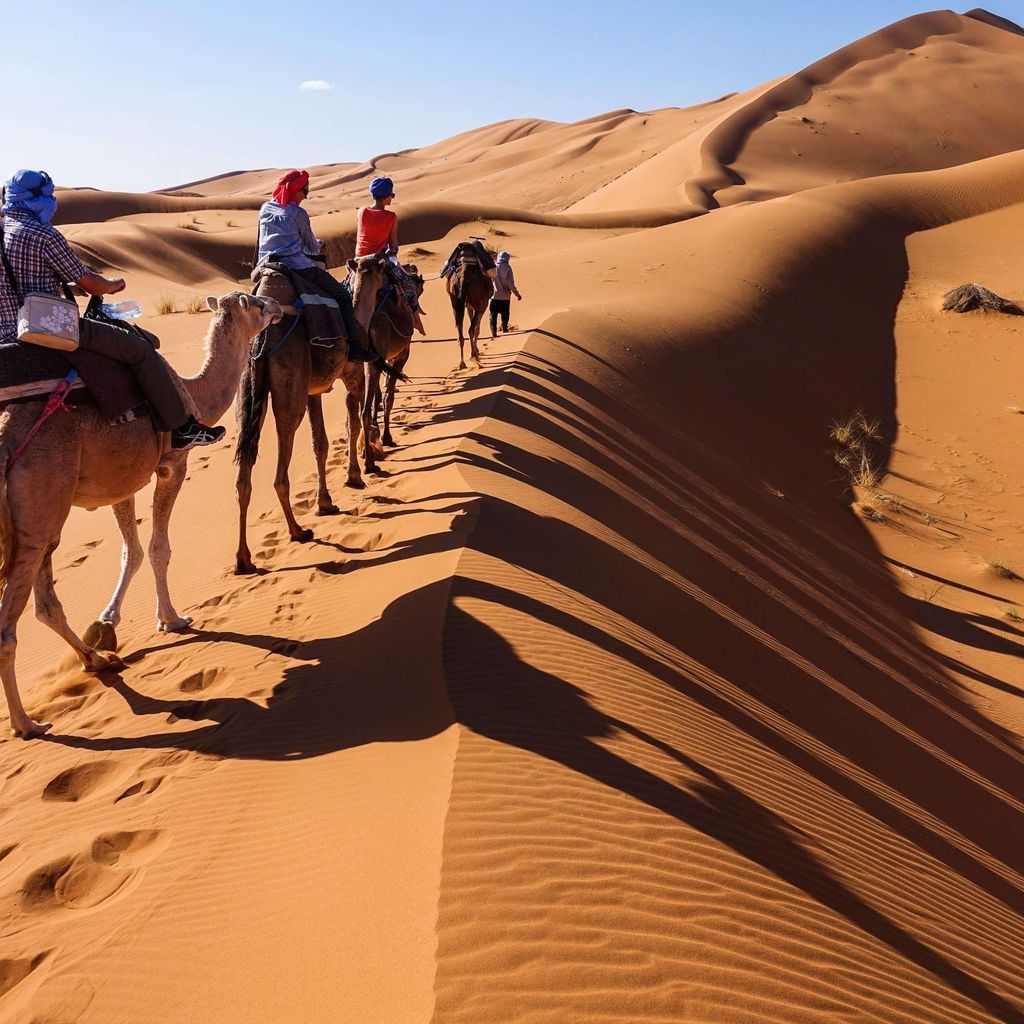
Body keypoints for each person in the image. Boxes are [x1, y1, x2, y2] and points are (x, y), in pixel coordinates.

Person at [0, 169, 224, 450]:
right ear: (36, 199)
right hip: (49, 327)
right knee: (140, 351)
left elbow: (16, 280)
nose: (52, 200)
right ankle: (182, 429)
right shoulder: (43, 234)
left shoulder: (3, 230)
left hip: (6, 332)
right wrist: (110, 284)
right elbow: (92, 283)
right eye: (48, 195)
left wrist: (64, 289)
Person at [255, 169, 375, 361]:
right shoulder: (298, 213)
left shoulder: (265, 208)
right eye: (305, 191)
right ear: (295, 191)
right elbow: (310, 247)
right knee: (343, 297)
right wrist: (318, 244)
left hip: (267, 266)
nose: (305, 196)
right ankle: (353, 348)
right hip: (297, 266)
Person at [355, 177, 425, 335]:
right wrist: (391, 251)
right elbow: (393, 246)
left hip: (358, 261)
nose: (392, 198)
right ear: (386, 196)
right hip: (378, 260)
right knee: (408, 284)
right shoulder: (391, 217)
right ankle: (415, 317)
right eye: (391, 195)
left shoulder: (362, 211)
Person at [489, 251, 522, 337]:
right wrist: (517, 294)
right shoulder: (508, 268)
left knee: (493, 314)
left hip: (494, 296)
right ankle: (504, 328)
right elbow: (510, 284)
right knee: (505, 314)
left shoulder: (493, 267)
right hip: (505, 297)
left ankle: (493, 330)